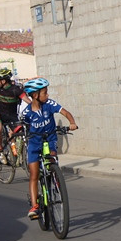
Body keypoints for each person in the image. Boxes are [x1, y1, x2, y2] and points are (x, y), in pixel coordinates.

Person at [21, 77, 78, 219]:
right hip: (34, 144)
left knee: (52, 159)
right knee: (34, 174)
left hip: (50, 139)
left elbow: (65, 112)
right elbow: (22, 124)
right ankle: (34, 206)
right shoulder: (27, 113)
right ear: (35, 95)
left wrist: (72, 122)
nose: (47, 95)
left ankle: (55, 178)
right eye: (45, 93)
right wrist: (16, 131)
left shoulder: (49, 104)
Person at [0, 68, 31, 165]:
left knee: (20, 133)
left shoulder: (16, 90)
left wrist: (36, 107)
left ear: (3, 81)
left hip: (12, 116)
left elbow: (27, 100)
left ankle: (17, 153)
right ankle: (0, 152)